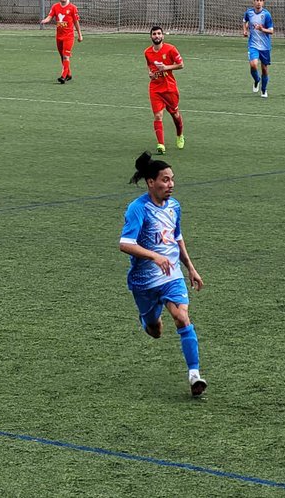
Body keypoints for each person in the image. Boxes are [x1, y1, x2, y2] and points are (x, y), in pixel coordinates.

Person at [120, 151, 207, 397]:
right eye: (165, 180)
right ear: (151, 182)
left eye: (172, 179)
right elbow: (125, 244)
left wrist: (190, 267)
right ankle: (146, 319)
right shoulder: (138, 209)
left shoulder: (174, 206)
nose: (171, 184)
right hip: (144, 281)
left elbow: (176, 238)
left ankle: (194, 375)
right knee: (155, 330)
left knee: (181, 317)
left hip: (171, 275)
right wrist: (154, 256)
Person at [144, 26, 184, 154]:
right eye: (154, 34)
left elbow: (181, 65)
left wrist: (166, 67)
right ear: (151, 36)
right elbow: (149, 67)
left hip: (169, 88)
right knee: (158, 116)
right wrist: (150, 73)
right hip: (155, 88)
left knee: (175, 114)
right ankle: (161, 144)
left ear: (163, 36)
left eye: (159, 33)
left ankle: (180, 134)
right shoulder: (147, 52)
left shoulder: (171, 49)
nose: (157, 36)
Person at [41, 0, 83, 84]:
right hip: (59, 37)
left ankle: (63, 77)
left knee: (66, 56)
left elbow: (76, 22)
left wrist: (80, 35)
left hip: (69, 37)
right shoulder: (55, 7)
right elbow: (50, 16)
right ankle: (69, 74)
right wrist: (45, 20)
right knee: (62, 57)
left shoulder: (72, 8)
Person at [242, 0, 274, 98]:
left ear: (263, 3)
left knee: (264, 69)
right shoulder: (249, 13)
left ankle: (264, 90)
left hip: (265, 46)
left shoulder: (267, 15)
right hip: (253, 45)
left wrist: (262, 29)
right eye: (257, 0)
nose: (258, 3)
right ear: (253, 2)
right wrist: (245, 31)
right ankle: (256, 80)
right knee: (253, 64)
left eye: (260, 1)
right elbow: (245, 21)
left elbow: (271, 31)